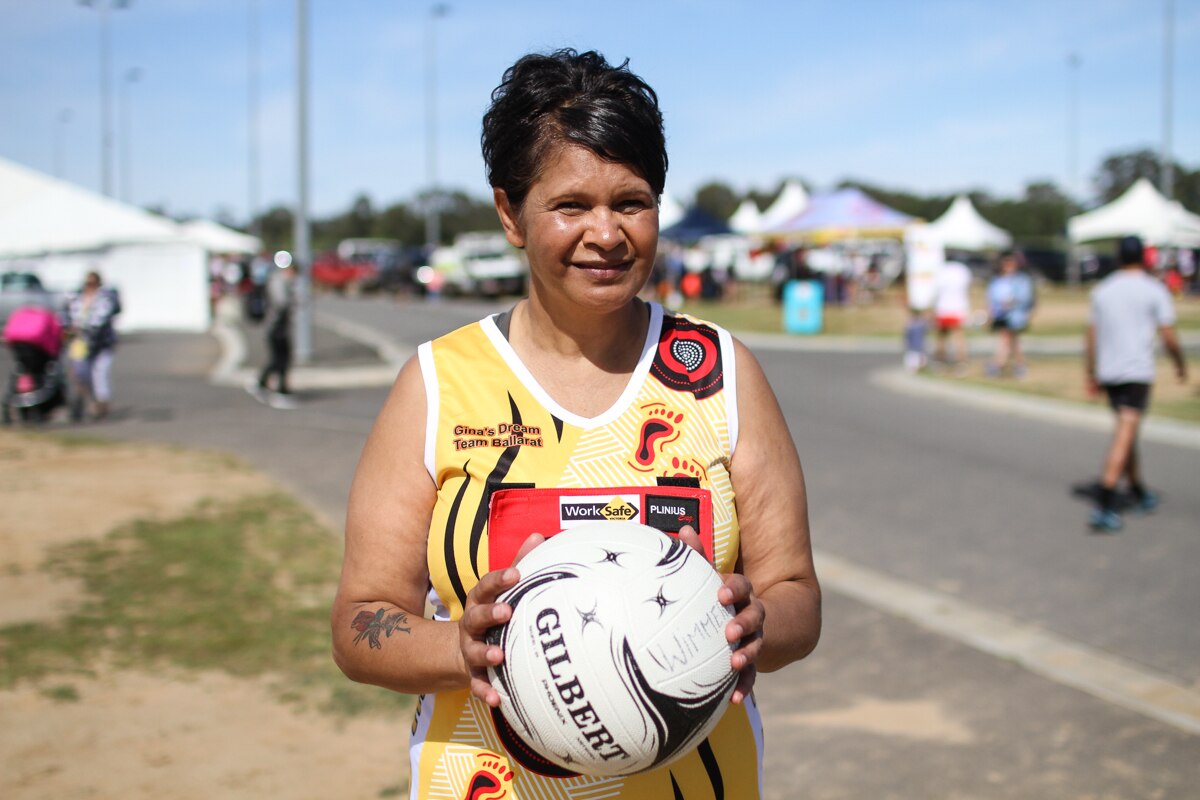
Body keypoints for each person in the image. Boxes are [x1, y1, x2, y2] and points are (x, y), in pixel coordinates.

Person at [331, 49, 820, 798]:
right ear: (510, 214)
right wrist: (456, 648)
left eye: (632, 202)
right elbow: (361, 623)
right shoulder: (438, 383)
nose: (608, 233)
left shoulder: (721, 372)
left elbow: (795, 594)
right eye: (571, 206)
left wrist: (759, 626)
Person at [1084, 235, 1188, 532]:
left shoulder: (1103, 290)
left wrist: (1090, 371)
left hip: (1109, 371)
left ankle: (1139, 491)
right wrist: (1180, 364)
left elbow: (1091, 335)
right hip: (1136, 372)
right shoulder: (1153, 289)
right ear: (1144, 257)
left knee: (1126, 432)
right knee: (1125, 432)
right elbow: (1168, 335)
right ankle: (1105, 502)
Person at [63, 269, 121, 421]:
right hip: (80, 342)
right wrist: (69, 329)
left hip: (101, 343)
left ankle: (101, 404)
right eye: (87, 283)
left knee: (100, 372)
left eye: (93, 283)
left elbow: (101, 319)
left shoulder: (105, 298)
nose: (90, 286)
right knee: (80, 373)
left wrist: (83, 328)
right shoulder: (76, 298)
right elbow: (67, 315)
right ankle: (82, 402)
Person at [250, 259, 297, 408]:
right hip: (276, 326)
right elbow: (281, 303)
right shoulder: (279, 281)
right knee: (280, 358)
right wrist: (293, 299)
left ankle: (268, 385)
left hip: (278, 326)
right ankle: (275, 389)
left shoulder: (278, 280)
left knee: (281, 358)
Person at [985, 250, 1035, 378]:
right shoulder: (997, 280)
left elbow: (1026, 297)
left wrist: (1012, 303)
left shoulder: (1022, 280)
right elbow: (991, 298)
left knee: (1009, 339)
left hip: (1015, 315)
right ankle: (1018, 365)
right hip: (1000, 315)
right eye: (1006, 262)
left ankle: (998, 365)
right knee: (1010, 341)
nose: (1008, 264)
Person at [932, 259, 972, 371]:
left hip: (943, 308)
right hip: (959, 308)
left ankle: (940, 361)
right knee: (958, 337)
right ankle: (961, 362)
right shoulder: (963, 270)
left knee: (941, 337)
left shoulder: (941, 270)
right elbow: (967, 287)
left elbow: (935, 289)